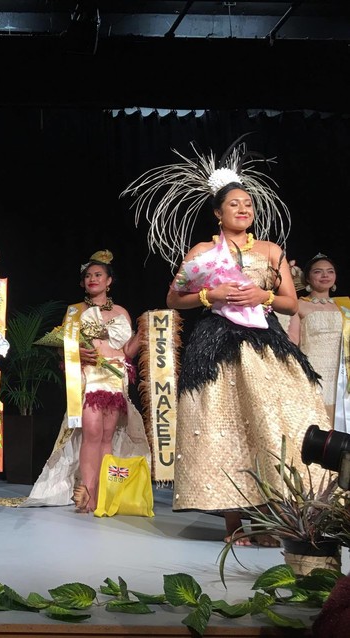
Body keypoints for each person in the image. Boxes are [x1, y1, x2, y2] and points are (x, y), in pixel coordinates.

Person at [124, 141, 330, 546]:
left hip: (265, 343)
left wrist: (262, 297)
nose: (243, 210)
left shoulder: (271, 251)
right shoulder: (202, 252)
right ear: (218, 213)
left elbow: (290, 302)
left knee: (275, 425)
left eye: (248, 205)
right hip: (217, 344)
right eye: (235, 204)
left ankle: (276, 519)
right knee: (224, 427)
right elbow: (172, 299)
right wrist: (209, 297)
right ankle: (234, 526)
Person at [21, 250, 150, 512]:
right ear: (82, 282)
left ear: (109, 281)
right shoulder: (74, 312)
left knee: (106, 437)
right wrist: (76, 352)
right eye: (88, 275)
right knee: (91, 433)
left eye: (98, 275)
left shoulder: (121, 311)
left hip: (114, 378)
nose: (93, 279)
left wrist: (146, 331)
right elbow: (63, 347)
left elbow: (127, 351)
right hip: (89, 377)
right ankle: (87, 495)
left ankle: (103, 494)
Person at [287, 254, 348, 432]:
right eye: (318, 271)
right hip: (314, 371)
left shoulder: (345, 305)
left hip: (343, 374)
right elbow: (292, 341)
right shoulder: (298, 305)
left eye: (330, 271)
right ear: (307, 278)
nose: (325, 275)